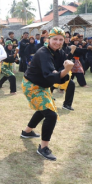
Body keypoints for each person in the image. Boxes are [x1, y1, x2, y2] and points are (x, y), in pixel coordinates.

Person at [21, 27, 75, 161]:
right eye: (55, 39)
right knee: (51, 114)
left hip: (42, 85)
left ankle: (27, 132)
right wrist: (67, 69)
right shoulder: (43, 53)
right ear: (48, 39)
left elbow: (60, 68)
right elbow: (51, 76)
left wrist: (65, 68)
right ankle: (43, 148)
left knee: (43, 109)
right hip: (32, 86)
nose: (57, 42)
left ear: (64, 40)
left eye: (61, 39)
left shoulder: (60, 52)